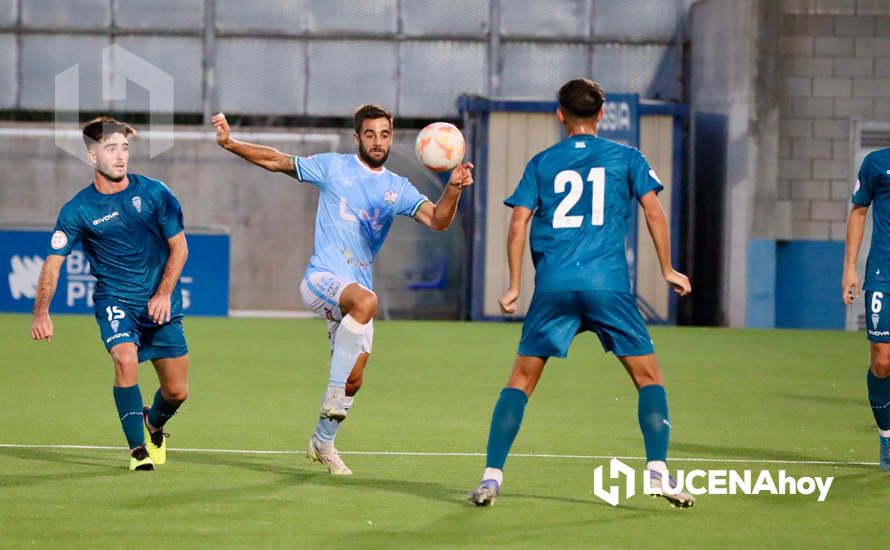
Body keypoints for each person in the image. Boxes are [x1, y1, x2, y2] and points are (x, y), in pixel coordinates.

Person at [467, 79, 694, 508]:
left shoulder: (542, 162)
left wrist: (515, 284)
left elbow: (518, 224)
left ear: (560, 114)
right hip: (607, 286)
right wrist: (667, 268)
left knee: (521, 380)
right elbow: (654, 210)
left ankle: (491, 477)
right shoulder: (627, 157)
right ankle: (658, 473)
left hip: (553, 287)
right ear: (602, 113)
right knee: (649, 378)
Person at [212, 105, 473, 475]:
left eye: (384, 134)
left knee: (355, 379)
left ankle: (322, 442)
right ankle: (332, 394)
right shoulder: (333, 166)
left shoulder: (396, 188)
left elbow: (438, 220)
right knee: (367, 303)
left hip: (354, 294)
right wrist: (230, 143)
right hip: (321, 279)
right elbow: (276, 160)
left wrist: (453, 188)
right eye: (370, 134)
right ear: (357, 138)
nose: (378, 141)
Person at [30, 116, 190, 471]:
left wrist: (163, 293)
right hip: (116, 302)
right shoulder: (77, 210)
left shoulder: (154, 193)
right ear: (92, 157)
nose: (120, 156)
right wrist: (41, 312)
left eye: (124, 148)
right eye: (110, 149)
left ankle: (153, 424)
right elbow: (53, 263)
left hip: (161, 306)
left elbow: (179, 248)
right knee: (125, 360)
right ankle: (137, 451)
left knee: (177, 392)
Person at [842, 146, 890, 472]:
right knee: (882, 359)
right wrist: (849, 267)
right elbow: (858, 211)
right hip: (882, 273)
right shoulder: (876, 162)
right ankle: (887, 436)